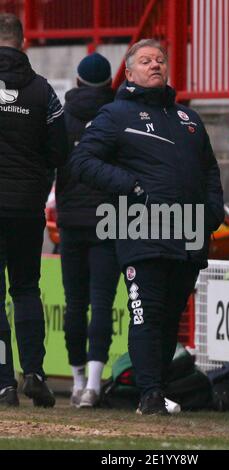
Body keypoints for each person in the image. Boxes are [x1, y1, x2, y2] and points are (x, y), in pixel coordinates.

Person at [70, 39, 224, 415]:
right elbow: (82, 160)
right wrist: (131, 186)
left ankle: (159, 390)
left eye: (160, 59)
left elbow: (209, 169)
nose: (155, 65)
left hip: (187, 235)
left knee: (170, 317)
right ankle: (149, 394)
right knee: (146, 312)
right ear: (130, 71)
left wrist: (213, 211)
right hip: (141, 229)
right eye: (145, 60)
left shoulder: (189, 119)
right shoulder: (115, 114)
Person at [0, 14, 68, 407]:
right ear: (23, 42)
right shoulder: (43, 92)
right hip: (27, 207)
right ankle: (36, 372)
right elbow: (60, 151)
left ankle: (3, 382)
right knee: (25, 288)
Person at [56, 53, 120, 408]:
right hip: (107, 221)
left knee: (74, 304)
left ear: (78, 82)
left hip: (71, 221)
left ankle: (78, 379)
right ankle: (94, 384)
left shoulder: (63, 119)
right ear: (110, 82)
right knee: (102, 303)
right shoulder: (116, 117)